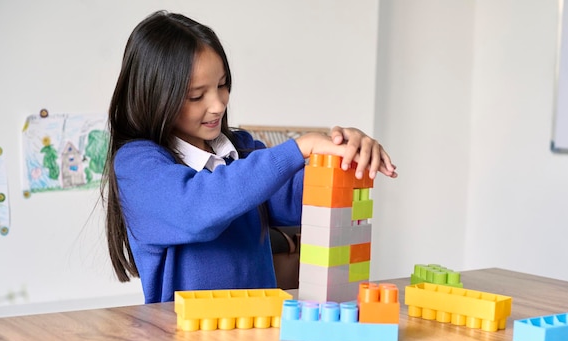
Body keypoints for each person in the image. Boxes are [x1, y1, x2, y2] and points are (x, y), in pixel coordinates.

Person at [102, 10, 398, 303]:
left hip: (260, 335)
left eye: (222, 85)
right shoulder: (137, 164)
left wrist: (346, 157)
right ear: (155, 96)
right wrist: (297, 148)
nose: (218, 104)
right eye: (196, 95)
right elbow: (198, 209)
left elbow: (304, 199)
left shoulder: (240, 149)